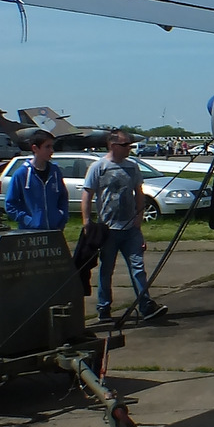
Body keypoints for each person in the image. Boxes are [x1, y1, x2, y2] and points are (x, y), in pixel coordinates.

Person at [80, 129, 165, 323]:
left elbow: (139, 192)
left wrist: (139, 217)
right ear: (113, 145)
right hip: (109, 229)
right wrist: (87, 222)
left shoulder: (132, 167)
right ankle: (103, 309)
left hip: (131, 229)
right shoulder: (98, 167)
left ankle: (146, 306)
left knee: (138, 267)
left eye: (130, 145)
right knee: (106, 269)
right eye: (125, 145)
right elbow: (87, 195)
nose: (129, 148)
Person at [3, 129, 68, 230]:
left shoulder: (55, 172)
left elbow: (63, 198)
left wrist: (62, 217)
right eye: (47, 147)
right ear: (35, 148)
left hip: (54, 230)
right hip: (30, 232)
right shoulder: (21, 174)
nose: (52, 150)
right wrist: (27, 220)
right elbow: (10, 204)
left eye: (52, 146)